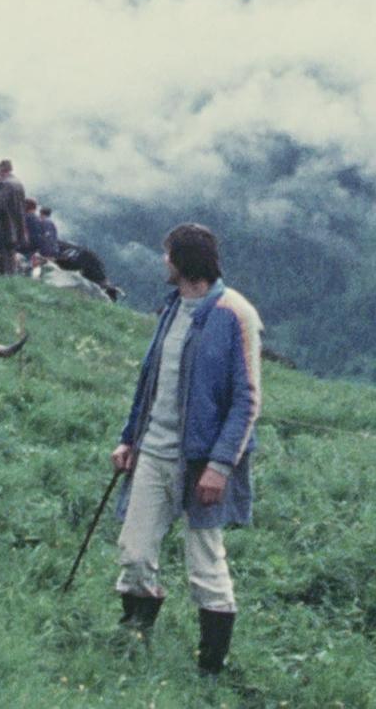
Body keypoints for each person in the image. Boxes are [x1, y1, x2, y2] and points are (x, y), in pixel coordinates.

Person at [111, 223, 262, 676]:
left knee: (205, 565)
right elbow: (150, 382)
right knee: (135, 553)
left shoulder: (236, 313)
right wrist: (128, 438)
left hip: (203, 462)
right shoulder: (173, 307)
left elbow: (247, 399)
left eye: (168, 254)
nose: (163, 262)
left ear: (184, 260)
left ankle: (210, 668)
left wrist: (219, 466)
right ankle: (136, 636)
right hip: (154, 453)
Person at [0, 159, 26, 275]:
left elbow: (0, 205)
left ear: (1, 169)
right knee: (10, 254)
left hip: (4, 224)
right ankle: (9, 280)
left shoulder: (5, 184)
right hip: (16, 225)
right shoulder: (18, 183)